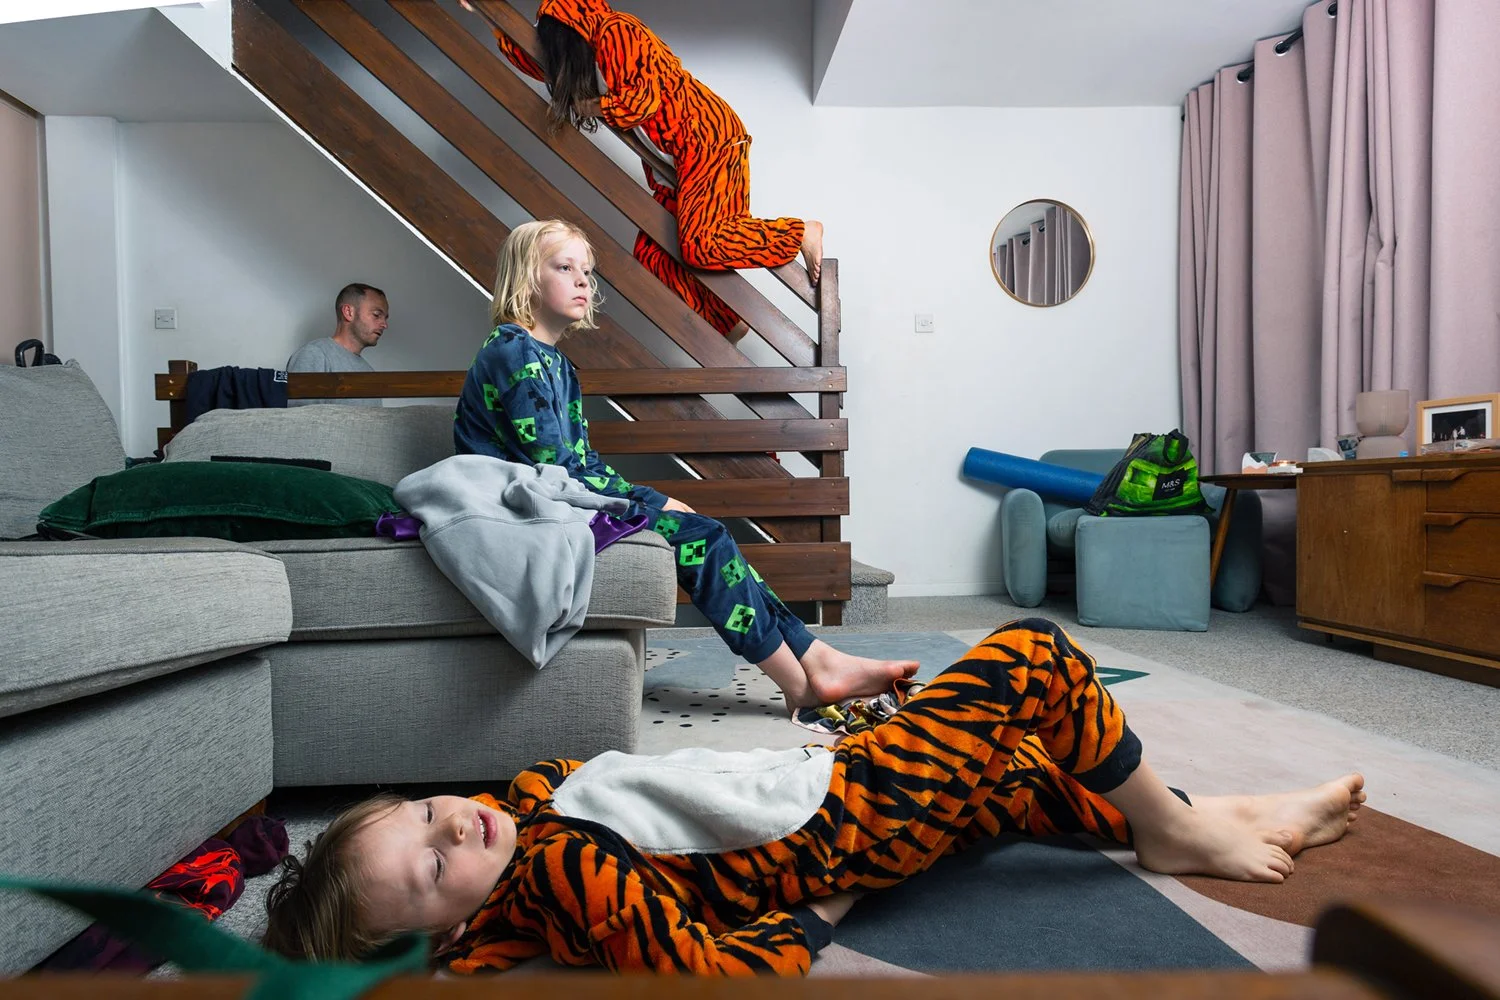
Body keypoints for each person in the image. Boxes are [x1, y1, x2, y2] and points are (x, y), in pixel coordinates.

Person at [260, 617, 1367, 973]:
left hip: (831, 778)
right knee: (1032, 661)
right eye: (433, 866)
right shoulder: (564, 871)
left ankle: (1215, 805)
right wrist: (833, 906)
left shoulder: (529, 813)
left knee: (1015, 776)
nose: (452, 823)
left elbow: (561, 782)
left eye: (418, 814)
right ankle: (1178, 833)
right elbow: (710, 975)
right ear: (448, 926)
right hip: (846, 822)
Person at [454, 219, 914, 709]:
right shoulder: (511, 350)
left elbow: (582, 462)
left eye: (587, 271)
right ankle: (802, 683)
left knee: (701, 525)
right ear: (526, 278)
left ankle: (815, 655)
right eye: (565, 268)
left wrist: (652, 500)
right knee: (703, 536)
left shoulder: (557, 364)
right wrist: (650, 503)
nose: (583, 280)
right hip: (522, 511)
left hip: (558, 498)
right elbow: (555, 467)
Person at [475, 0, 824, 344]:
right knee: (652, 251)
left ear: (569, 33)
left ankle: (799, 233)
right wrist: (491, 17)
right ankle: (728, 322)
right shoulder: (589, 57)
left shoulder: (616, 31)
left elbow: (643, 99)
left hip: (708, 137)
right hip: (676, 159)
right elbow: (540, 63)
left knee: (703, 243)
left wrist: (595, 105)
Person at [285, 283, 388, 407]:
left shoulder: (370, 373)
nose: (384, 325)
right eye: (376, 315)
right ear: (348, 312)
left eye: (385, 318)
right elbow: (298, 421)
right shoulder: (314, 354)